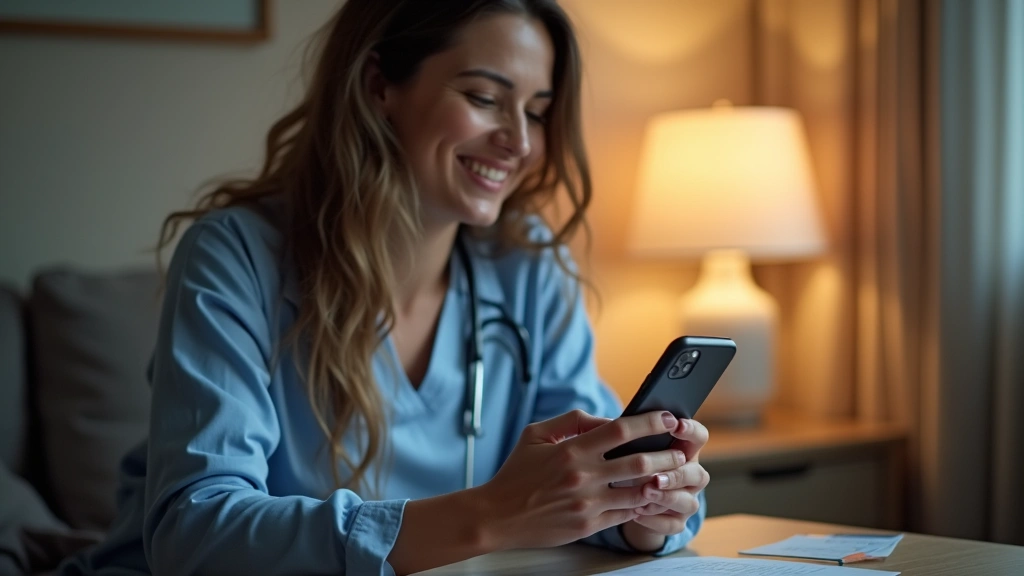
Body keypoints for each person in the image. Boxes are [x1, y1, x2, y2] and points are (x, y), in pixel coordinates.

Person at [58, 1, 711, 574]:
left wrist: (638, 513)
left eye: (536, 112)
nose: (518, 141)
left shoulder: (528, 271)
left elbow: (579, 485)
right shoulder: (237, 258)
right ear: (379, 85)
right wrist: (490, 515)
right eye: (485, 98)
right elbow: (195, 534)